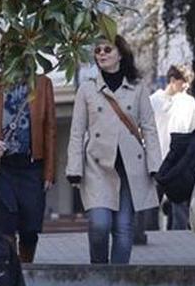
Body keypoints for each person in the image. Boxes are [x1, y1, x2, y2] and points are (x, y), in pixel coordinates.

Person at [67, 36, 161, 264]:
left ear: (120, 54)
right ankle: (99, 274)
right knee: (99, 224)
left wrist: (155, 165)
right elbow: (77, 131)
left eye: (107, 49)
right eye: (97, 50)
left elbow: (149, 128)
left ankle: (119, 283)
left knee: (123, 227)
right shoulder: (87, 90)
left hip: (131, 168)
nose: (101, 54)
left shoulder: (138, 88)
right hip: (97, 167)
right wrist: (74, 167)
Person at [0, 68, 57, 263]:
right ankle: (10, 272)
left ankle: (26, 269)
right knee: (6, 223)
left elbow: (50, 129)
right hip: (3, 167)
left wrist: (49, 173)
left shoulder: (43, 83)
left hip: (32, 165)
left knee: (30, 228)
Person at [151, 64, 195, 230]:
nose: (186, 86)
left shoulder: (190, 102)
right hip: (157, 161)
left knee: (180, 208)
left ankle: (180, 243)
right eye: (183, 82)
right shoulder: (155, 100)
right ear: (172, 80)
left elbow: (194, 130)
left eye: (188, 83)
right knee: (151, 207)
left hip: (180, 164)